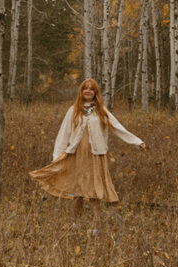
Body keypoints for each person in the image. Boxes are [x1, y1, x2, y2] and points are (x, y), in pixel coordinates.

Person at [29, 77, 145, 225]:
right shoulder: (73, 110)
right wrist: (57, 155)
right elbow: (63, 133)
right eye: (85, 88)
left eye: (91, 89)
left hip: (96, 155)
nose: (88, 91)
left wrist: (137, 142)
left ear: (95, 92)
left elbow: (117, 128)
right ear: (81, 91)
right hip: (77, 155)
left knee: (94, 192)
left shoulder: (101, 111)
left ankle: (96, 225)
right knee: (77, 192)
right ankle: (75, 224)